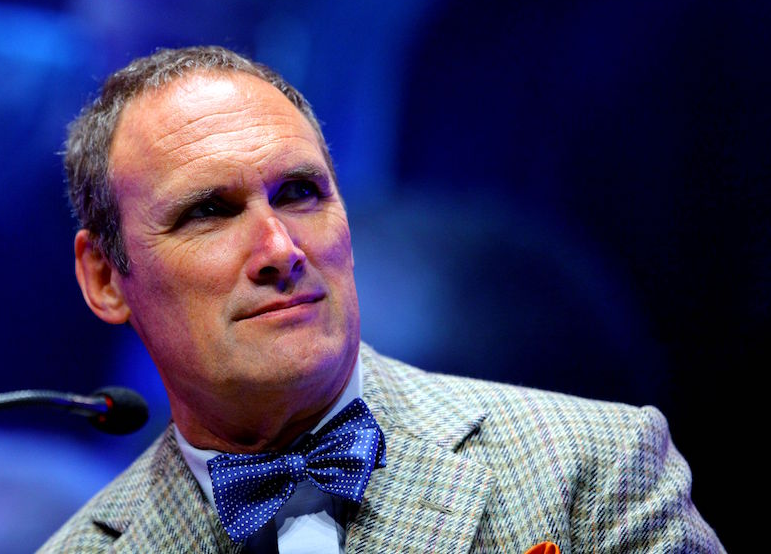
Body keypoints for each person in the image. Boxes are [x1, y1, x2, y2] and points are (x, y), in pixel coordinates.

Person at [40, 46, 724, 553]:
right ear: (104, 278)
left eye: (300, 193)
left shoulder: (589, 468)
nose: (279, 248)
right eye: (210, 212)